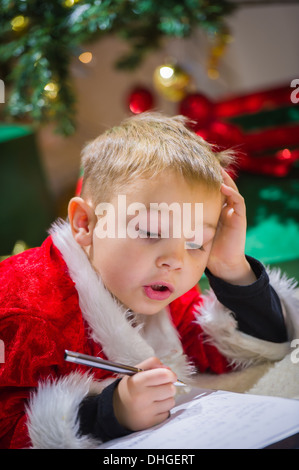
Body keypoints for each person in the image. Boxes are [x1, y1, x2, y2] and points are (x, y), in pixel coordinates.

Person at [0, 113, 297, 449]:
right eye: (150, 232)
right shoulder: (24, 309)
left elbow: (244, 353)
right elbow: (7, 426)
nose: (175, 260)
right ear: (85, 223)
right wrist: (109, 412)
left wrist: (231, 266)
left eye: (196, 243)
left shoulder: (162, 295)